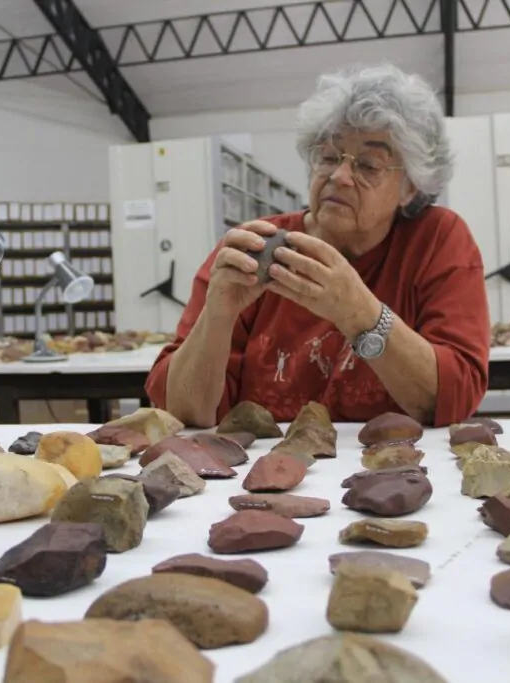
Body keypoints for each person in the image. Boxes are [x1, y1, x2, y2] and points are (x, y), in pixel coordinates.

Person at [145, 62, 491, 428]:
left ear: (411, 188)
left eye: (369, 165)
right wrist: (217, 318)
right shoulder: (254, 248)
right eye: (328, 157)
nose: (339, 176)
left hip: (395, 461)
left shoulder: (436, 240)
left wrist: (359, 313)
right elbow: (183, 414)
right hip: (263, 463)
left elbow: (454, 397)